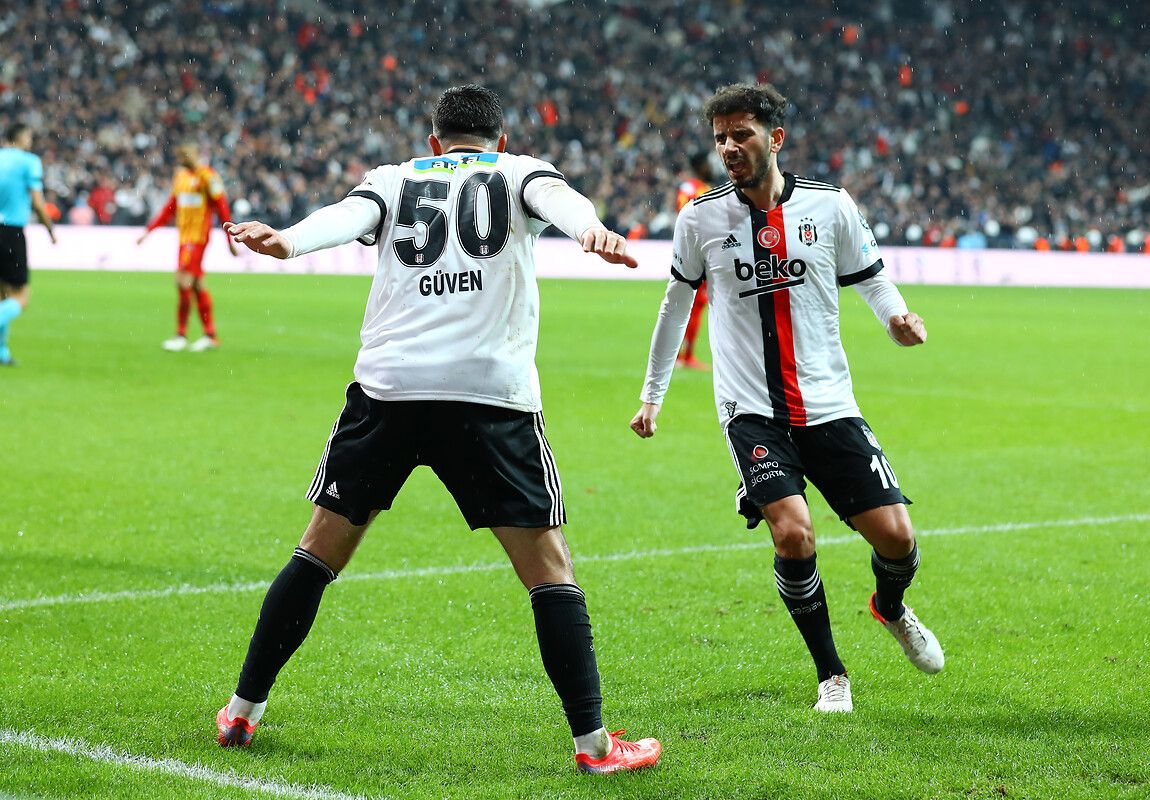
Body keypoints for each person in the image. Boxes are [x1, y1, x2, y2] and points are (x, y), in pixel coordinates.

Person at [215, 85, 661, 774]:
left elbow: (344, 217)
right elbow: (560, 202)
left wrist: (287, 241)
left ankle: (241, 711)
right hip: (488, 397)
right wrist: (591, 229)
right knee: (549, 568)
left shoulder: (395, 180)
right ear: (502, 140)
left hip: (388, 393)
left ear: (434, 142)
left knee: (317, 553)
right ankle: (595, 746)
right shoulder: (518, 172)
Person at [630, 83, 943, 713]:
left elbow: (871, 277)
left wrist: (899, 320)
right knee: (793, 535)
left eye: (741, 134)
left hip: (828, 402)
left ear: (775, 137)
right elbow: (675, 306)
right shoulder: (701, 219)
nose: (728, 148)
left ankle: (889, 607)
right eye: (720, 137)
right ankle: (832, 673)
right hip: (752, 411)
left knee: (897, 539)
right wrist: (652, 396)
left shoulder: (830, 207)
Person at [136, 143, 235, 352]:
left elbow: (222, 208)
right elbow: (170, 207)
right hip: (183, 239)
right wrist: (149, 230)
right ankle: (210, 335)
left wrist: (230, 239)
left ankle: (181, 335)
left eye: (185, 154)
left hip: (197, 239)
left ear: (197, 154)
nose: (182, 159)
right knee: (197, 284)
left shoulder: (208, 177)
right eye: (180, 156)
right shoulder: (180, 178)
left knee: (182, 281)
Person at [0, 123, 57, 367]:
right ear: (20, 138)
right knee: (21, 297)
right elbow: (37, 201)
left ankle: (2, 353)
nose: (30, 142)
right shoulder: (29, 161)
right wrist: (50, 229)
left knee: (3, 295)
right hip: (11, 232)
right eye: (29, 137)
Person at [674, 152, 717, 370]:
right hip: (702, 253)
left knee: (685, 304)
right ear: (701, 166)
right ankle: (685, 356)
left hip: (685, 250)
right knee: (696, 305)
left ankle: (679, 354)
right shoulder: (703, 189)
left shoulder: (686, 188)